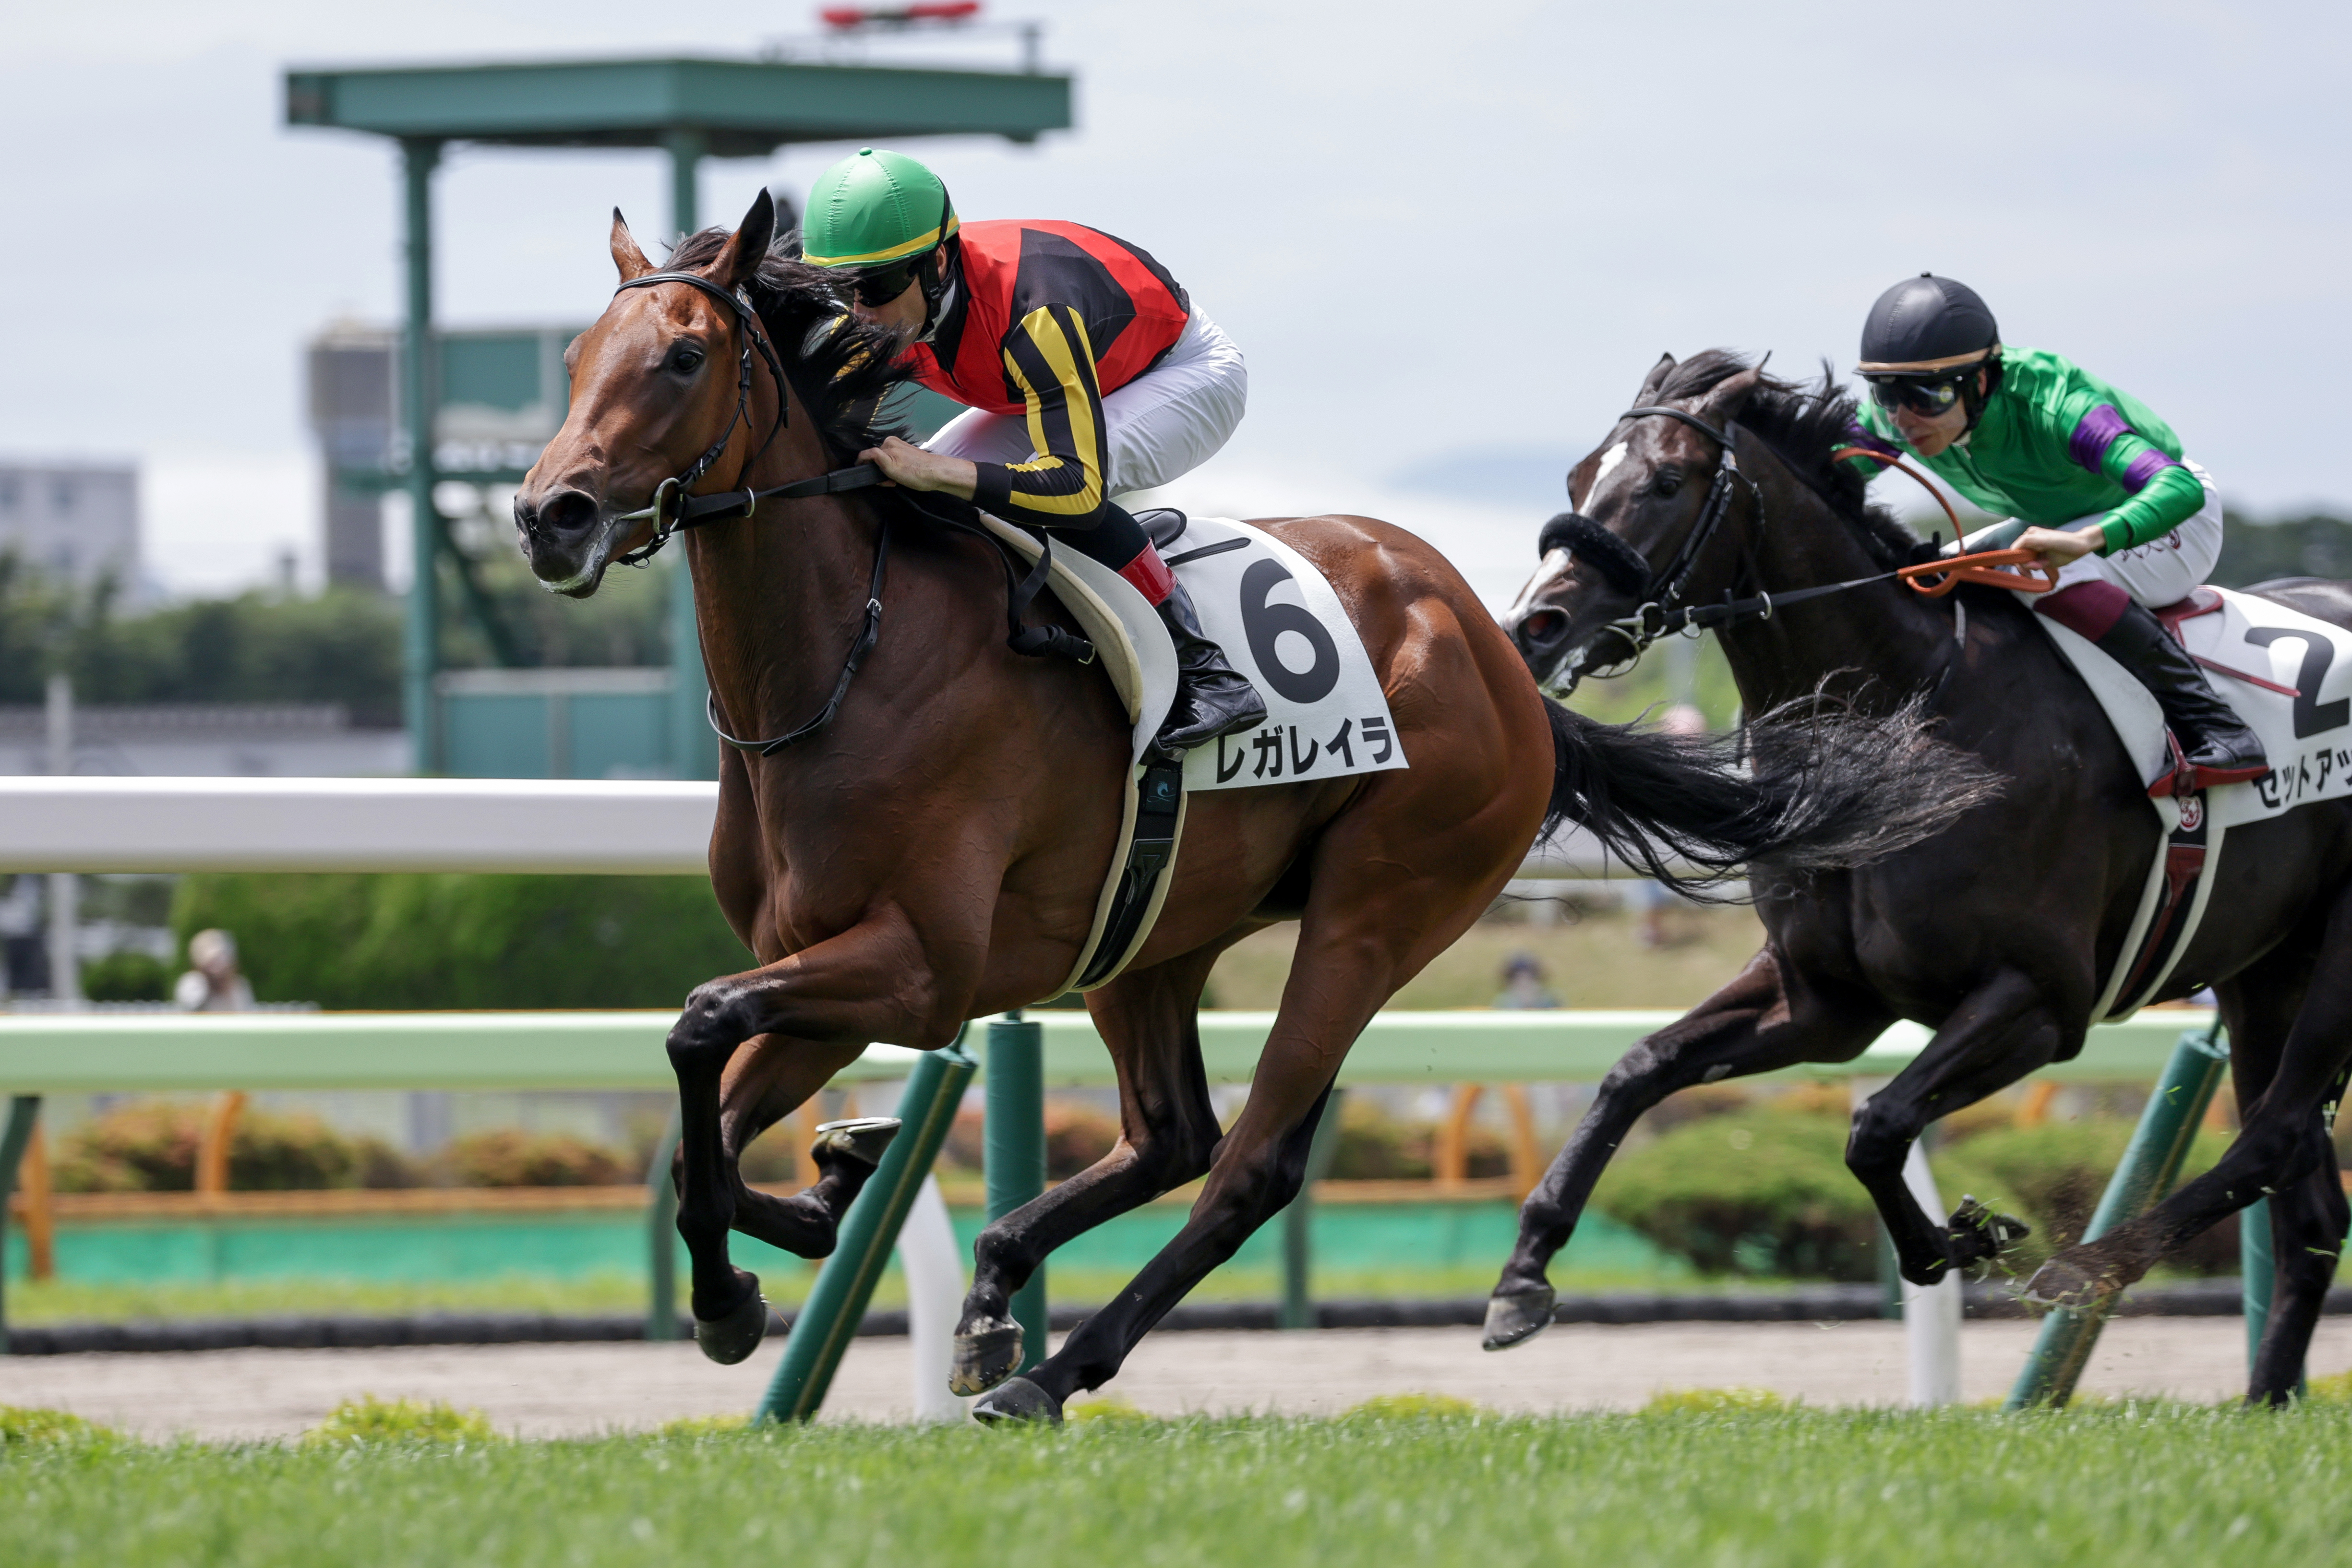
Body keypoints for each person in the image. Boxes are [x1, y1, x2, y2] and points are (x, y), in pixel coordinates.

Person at [800, 147, 1267, 758]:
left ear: (938, 262)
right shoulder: (878, 314)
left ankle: (1207, 670)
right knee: (917, 494)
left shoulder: (1033, 315)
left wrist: (944, 469)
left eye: (877, 287)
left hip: (1183, 373)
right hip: (1061, 376)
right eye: (840, 290)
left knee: (1029, 494)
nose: (859, 312)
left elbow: (1075, 486)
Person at [1839, 273, 2266, 791]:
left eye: (1929, 394)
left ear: (1980, 381)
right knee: (1931, 574)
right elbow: (1816, 474)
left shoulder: (2055, 403)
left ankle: (2220, 730)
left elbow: (2176, 486)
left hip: (2167, 518)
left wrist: (2086, 541)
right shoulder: (1892, 417)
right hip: (2061, 519)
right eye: (1886, 394)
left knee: (2054, 574)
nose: (1904, 418)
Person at [173, 928, 254, 1013]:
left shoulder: (239, 985)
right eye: (213, 962)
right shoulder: (192, 983)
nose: (219, 968)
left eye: (223, 960)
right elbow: (191, 1009)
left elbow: (244, 1014)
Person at [1492, 952, 1561, 1009]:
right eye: (1517, 979)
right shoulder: (1503, 1002)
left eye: (1529, 978)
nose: (1524, 983)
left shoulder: (1550, 1001)